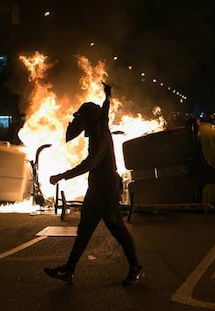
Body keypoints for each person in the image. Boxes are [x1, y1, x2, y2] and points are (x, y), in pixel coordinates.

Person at [44, 82, 143, 286]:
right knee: (85, 230)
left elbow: (89, 164)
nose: (80, 126)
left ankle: (135, 268)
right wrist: (107, 97)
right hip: (96, 189)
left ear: (90, 122)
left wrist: (62, 176)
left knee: (118, 230)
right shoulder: (101, 124)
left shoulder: (100, 138)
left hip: (106, 191)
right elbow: (105, 112)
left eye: (82, 121)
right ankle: (69, 269)